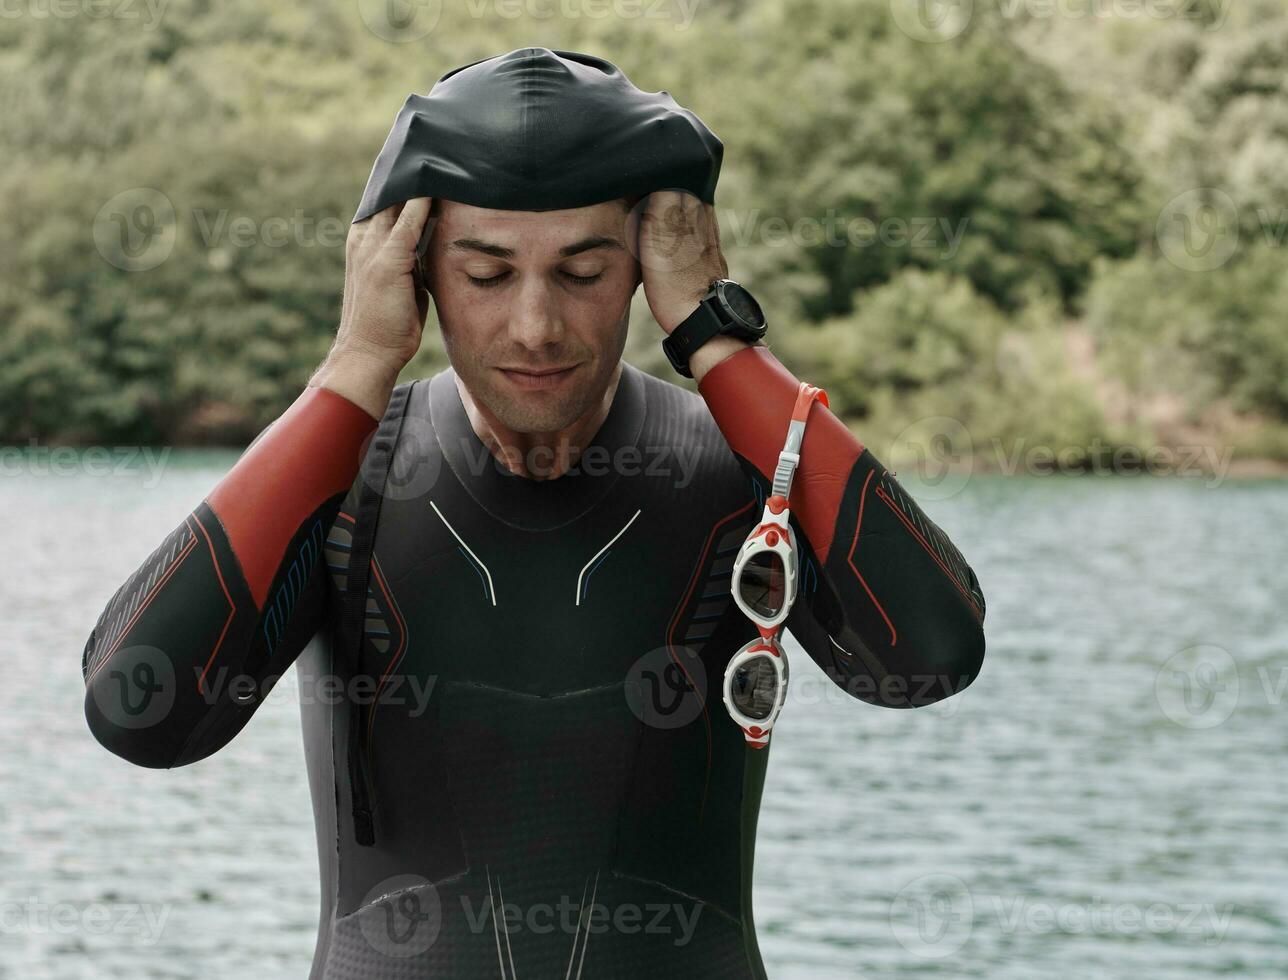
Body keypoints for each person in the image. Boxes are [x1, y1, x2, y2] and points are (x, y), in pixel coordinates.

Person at [81, 48, 986, 978]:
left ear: (647, 268)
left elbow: (929, 659)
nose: (535, 326)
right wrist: (355, 362)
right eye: (485, 275)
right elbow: (135, 713)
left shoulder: (746, 471)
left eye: (584, 272)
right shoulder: (347, 479)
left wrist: (716, 337)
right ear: (417, 270)